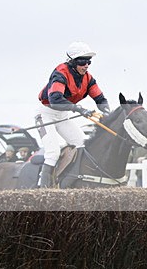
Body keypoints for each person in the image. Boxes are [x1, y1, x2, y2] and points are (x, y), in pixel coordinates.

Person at [36, 41, 111, 187]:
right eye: (82, 61)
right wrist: (79, 109)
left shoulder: (88, 78)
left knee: (82, 144)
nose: (86, 65)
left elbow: (100, 99)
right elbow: (55, 99)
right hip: (46, 115)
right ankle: (42, 189)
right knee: (53, 153)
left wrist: (108, 113)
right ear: (72, 62)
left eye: (89, 61)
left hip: (62, 116)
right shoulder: (60, 73)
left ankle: (71, 180)